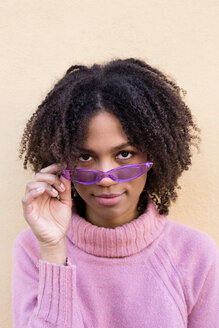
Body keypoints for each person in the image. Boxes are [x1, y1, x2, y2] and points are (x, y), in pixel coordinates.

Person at [12, 58, 219, 328]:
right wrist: (53, 251)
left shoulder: (195, 254)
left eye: (124, 154)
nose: (106, 178)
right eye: (85, 157)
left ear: (155, 152)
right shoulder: (33, 248)